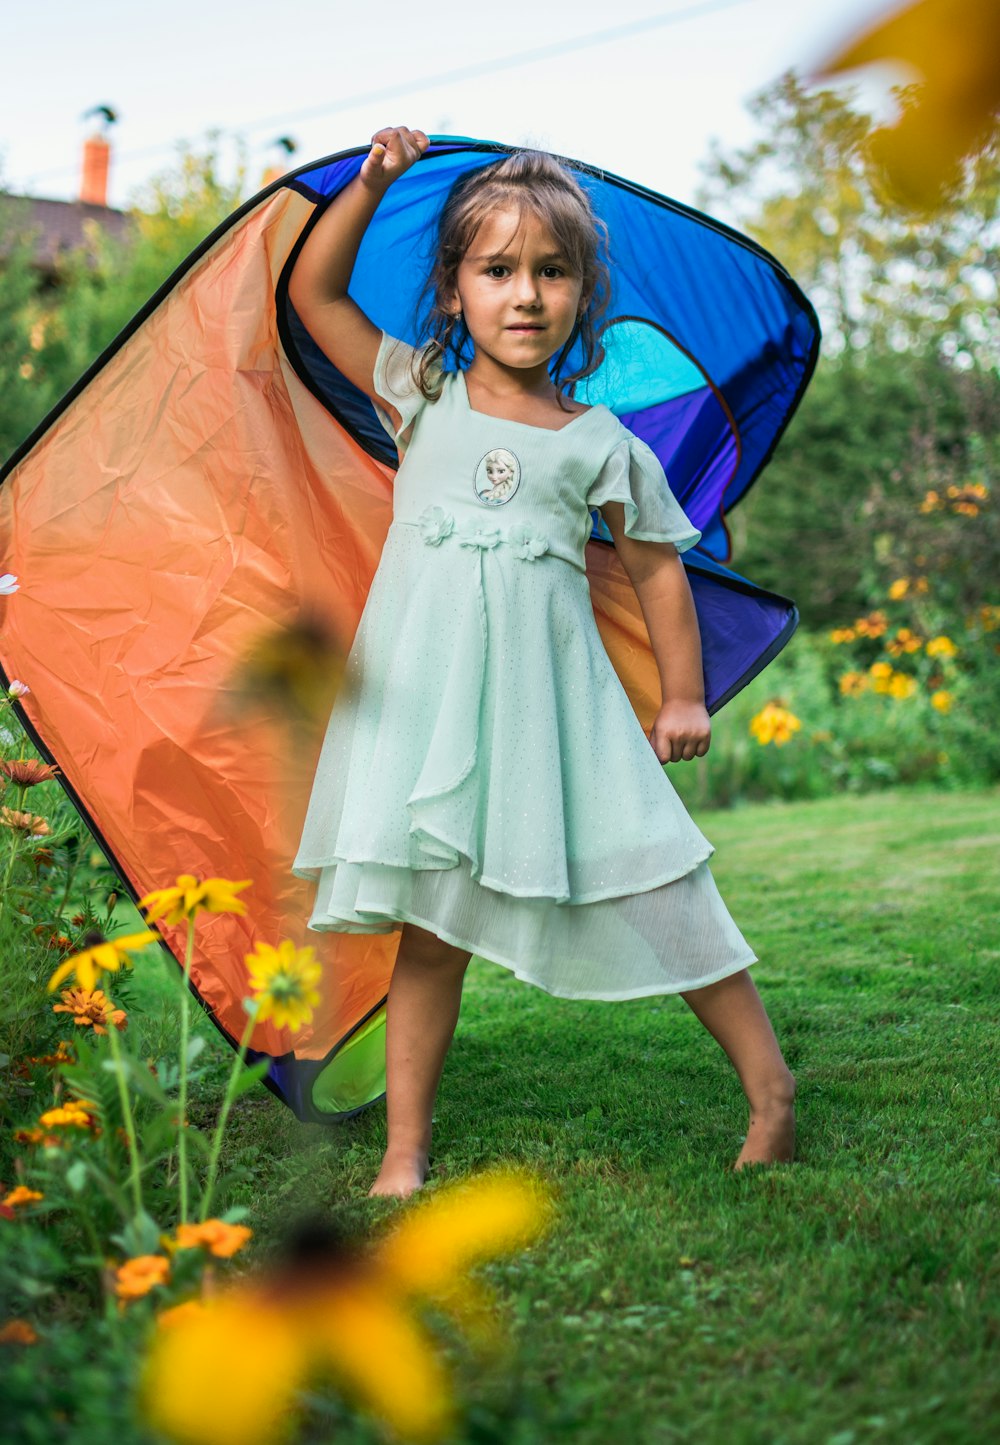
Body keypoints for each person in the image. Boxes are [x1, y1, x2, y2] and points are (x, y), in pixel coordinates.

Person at [289, 126, 797, 1199]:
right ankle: (403, 1149)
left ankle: (770, 1092)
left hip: (554, 712)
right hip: (432, 717)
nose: (526, 294)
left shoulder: (601, 440)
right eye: (498, 270)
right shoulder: (418, 393)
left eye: (551, 272)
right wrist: (375, 181)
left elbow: (657, 573)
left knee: (658, 878)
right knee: (429, 929)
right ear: (456, 288)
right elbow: (317, 296)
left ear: (581, 293)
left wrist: (684, 696)